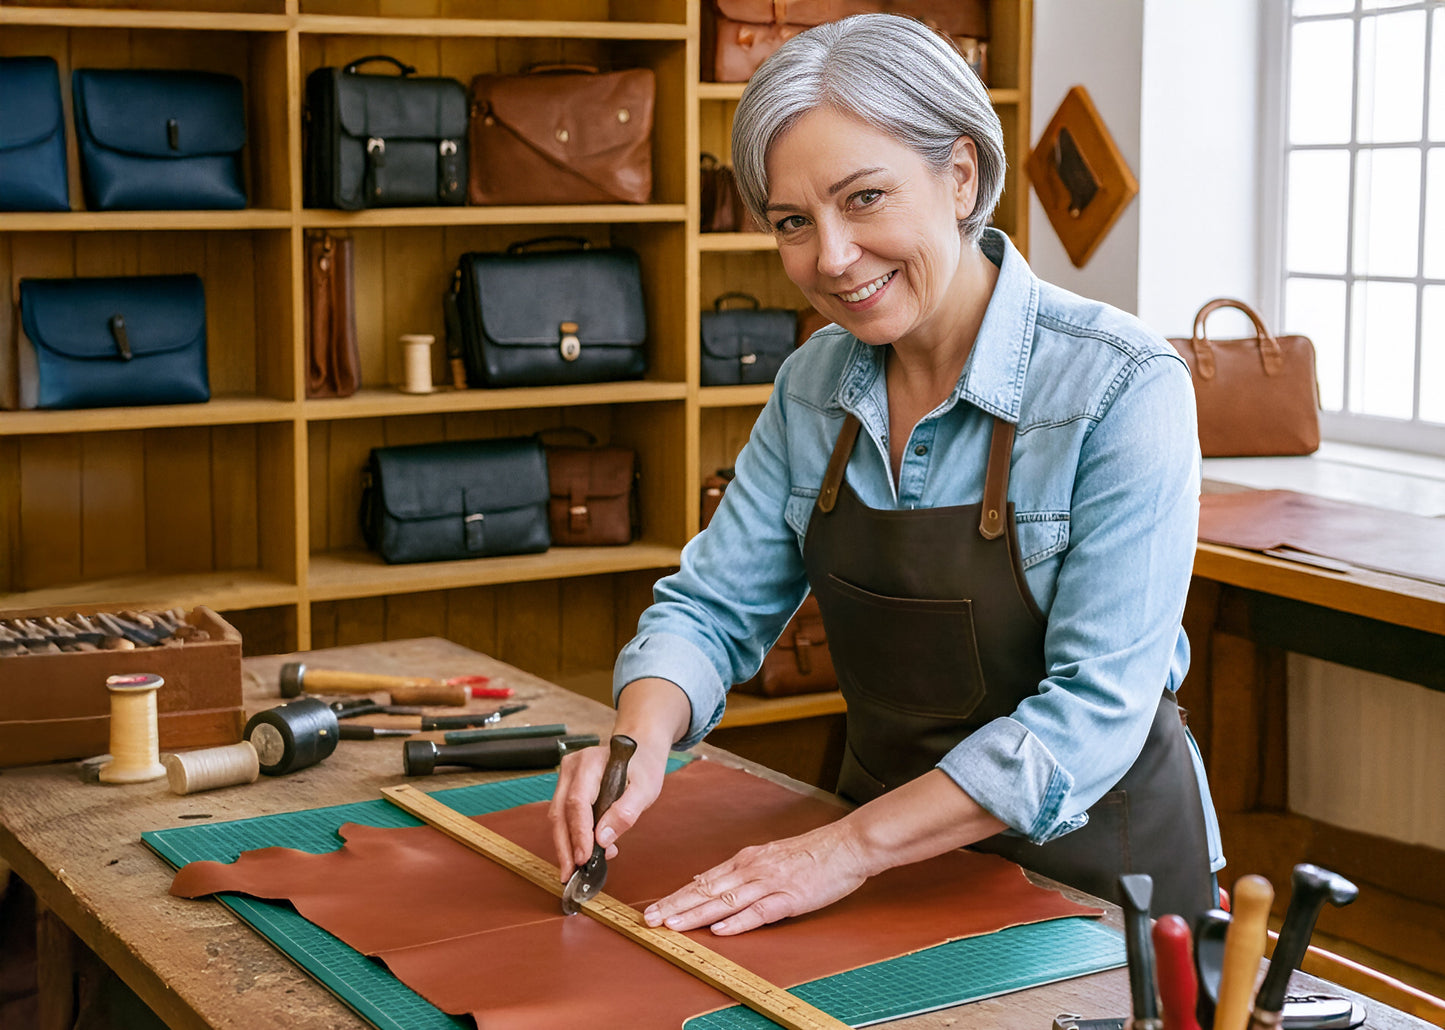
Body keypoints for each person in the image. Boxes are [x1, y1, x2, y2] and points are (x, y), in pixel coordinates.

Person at [550, 11, 1222, 934]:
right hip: (878, 872)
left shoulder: (1122, 386)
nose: (829, 257)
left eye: (863, 198)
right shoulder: (811, 386)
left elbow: (1095, 713)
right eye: (793, 221)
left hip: (1096, 888)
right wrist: (636, 740)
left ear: (958, 176)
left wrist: (844, 849)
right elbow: (711, 609)